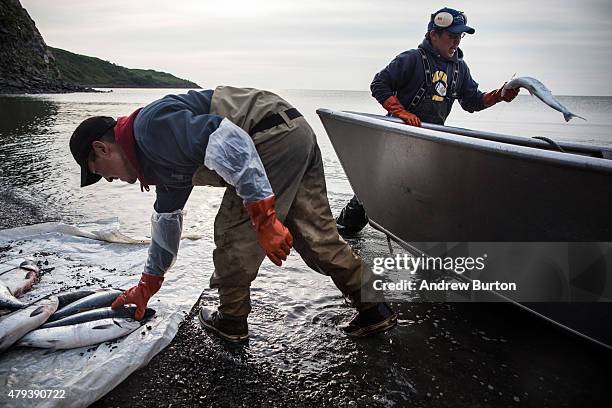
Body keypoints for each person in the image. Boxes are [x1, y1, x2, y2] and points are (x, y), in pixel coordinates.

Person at [69, 86, 397, 343]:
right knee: (317, 236)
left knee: (231, 233)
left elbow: (231, 141)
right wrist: (147, 284)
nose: (109, 179)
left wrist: (265, 219)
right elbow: (166, 224)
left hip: (265, 135)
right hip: (293, 129)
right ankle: (373, 308)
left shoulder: (150, 128)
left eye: (100, 172)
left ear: (102, 148)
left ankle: (231, 319)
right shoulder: (158, 161)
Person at [336, 7, 520, 234]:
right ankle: (344, 234)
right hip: (396, 139)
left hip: (429, 145)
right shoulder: (411, 59)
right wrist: (401, 112)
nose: (456, 43)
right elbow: (379, 84)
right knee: (372, 193)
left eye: (459, 37)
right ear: (434, 34)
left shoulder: (460, 69)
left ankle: (425, 246)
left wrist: (499, 95)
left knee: (423, 195)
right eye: (451, 36)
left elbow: (472, 101)